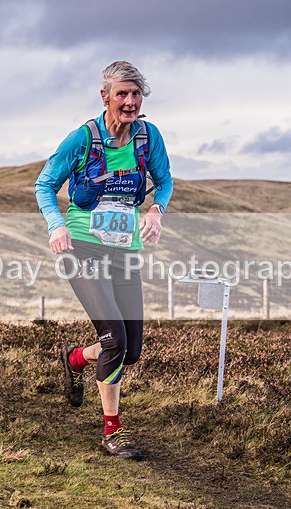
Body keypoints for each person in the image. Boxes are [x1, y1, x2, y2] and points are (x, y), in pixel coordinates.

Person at [34, 61, 173, 459]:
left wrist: (155, 211)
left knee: (130, 351)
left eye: (135, 94)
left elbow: (164, 181)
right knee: (113, 338)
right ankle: (113, 431)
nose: (130, 102)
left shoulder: (148, 136)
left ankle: (75, 357)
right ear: (105, 96)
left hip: (125, 249)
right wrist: (56, 226)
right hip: (82, 246)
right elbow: (45, 184)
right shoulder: (82, 138)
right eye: (122, 94)